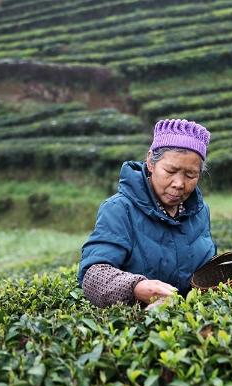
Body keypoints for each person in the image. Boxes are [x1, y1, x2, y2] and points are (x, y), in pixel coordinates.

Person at [77, 119, 217, 308]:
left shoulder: (200, 212)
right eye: (171, 170)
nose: (179, 183)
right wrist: (135, 287)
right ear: (151, 162)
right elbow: (93, 274)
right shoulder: (119, 210)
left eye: (190, 175)